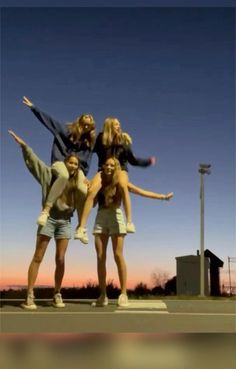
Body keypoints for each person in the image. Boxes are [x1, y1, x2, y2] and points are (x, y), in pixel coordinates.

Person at [8, 130, 81, 310]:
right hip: (48, 219)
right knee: (38, 256)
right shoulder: (49, 175)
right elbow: (35, 162)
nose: (73, 166)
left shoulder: (77, 182)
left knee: (61, 258)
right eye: (70, 163)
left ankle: (57, 293)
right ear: (64, 164)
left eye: (76, 164)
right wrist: (24, 146)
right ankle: (30, 294)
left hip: (65, 221)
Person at [90, 157, 173, 308]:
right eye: (107, 164)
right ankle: (103, 295)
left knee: (117, 255)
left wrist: (162, 197)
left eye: (112, 165)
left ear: (117, 168)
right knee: (100, 257)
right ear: (103, 166)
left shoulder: (121, 182)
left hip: (116, 216)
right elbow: (93, 202)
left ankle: (123, 294)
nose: (109, 167)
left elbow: (141, 192)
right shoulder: (99, 181)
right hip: (101, 217)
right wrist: (88, 188)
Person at [21, 96, 96, 243]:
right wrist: (33, 108)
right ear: (79, 121)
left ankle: (81, 228)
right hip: (59, 163)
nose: (86, 125)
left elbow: (87, 161)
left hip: (76, 169)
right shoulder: (65, 130)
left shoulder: (88, 144)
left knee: (83, 189)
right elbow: (48, 121)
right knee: (63, 174)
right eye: (85, 121)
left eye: (89, 124)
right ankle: (46, 211)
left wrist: (84, 176)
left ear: (90, 128)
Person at [76, 117, 156, 241]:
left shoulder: (123, 140)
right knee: (91, 191)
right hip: (104, 168)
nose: (119, 126)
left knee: (123, 185)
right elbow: (89, 153)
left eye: (119, 124)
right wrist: (84, 173)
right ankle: (82, 228)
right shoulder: (101, 138)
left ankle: (129, 222)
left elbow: (132, 160)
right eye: (116, 125)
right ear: (109, 126)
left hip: (121, 169)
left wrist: (146, 162)